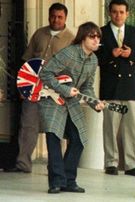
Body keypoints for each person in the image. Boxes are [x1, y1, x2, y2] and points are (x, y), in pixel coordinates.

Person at [5, 3, 74, 173]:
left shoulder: (71, 39)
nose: (56, 20)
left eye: (60, 17)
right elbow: (26, 61)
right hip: (33, 89)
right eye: (53, 16)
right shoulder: (39, 34)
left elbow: (73, 69)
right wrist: (23, 87)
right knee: (28, 125)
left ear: (65, 18)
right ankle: (23, 164)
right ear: (48, 16)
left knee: (55, 130)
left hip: (55, 92)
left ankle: (55, 167)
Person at [39, 21, 105, 194]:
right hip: (52, 100)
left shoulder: (93, 60)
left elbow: (87, 87)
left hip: (71, 102)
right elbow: (45, 73)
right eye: (92, 36)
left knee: (78, 139)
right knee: (54, 139)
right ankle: (56, 182)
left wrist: (94, 103)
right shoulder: (69, 53)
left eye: (98, 36)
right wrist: (65, 89)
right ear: (83, 37)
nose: (96, 40)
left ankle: (69, 180)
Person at [95, 0, 135, 177]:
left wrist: (130, 54)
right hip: (111, 89)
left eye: (122, 12)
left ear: (128, 13)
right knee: (110, 126)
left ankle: (132, 165)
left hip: (130, 89)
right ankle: (111, 163)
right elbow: (94, 58)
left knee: (131, 128)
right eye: (115, 12)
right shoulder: (101, 33)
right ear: (109, 13)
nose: (118, 15)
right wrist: (111, 54)